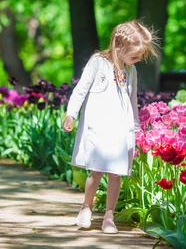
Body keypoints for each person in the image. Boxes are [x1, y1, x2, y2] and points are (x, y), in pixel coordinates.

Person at [63, 20, 158, 234]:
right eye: (135, 55)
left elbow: (132, 103)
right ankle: (86, 207)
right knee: (95, 171)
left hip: (121, 130)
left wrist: (137, 130)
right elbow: (80, 90)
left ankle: (109, 216)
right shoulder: (98, 62)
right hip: (99, 128)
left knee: (116, 174)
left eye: (140, 55)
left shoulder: (131, 71)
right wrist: (71, 113)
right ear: (118, 48)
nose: (138, 59)